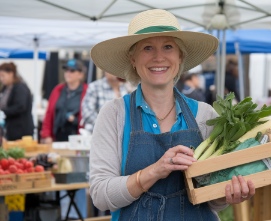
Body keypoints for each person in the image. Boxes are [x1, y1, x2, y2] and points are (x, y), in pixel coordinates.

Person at [89, 9, 255, 221]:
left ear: (180, 56)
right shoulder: (114, 114)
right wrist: (155, 171)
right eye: (147, 48)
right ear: (133, 58)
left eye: (168, 46)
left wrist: (228, 193)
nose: (159, 57)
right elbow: (101, 196)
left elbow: (213, 201)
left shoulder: (205, 114)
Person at [40, 59, 88, 143]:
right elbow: (48, 114)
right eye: (66, 70)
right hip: (57, 137)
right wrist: (46, 135)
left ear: (80, 74)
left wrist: (75, 120)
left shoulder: (87, 91)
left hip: (78, 138)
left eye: (72, 71)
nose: (68, 73)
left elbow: (89, 117)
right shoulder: (58, 89)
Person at [0, 62, 34, 141]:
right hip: (10, 129)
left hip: (21, 130)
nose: (1, 79)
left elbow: (21, 106)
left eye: (3, 75)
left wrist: (3, 112)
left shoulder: (20, 88)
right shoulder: (5, 88)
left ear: (11, 74)